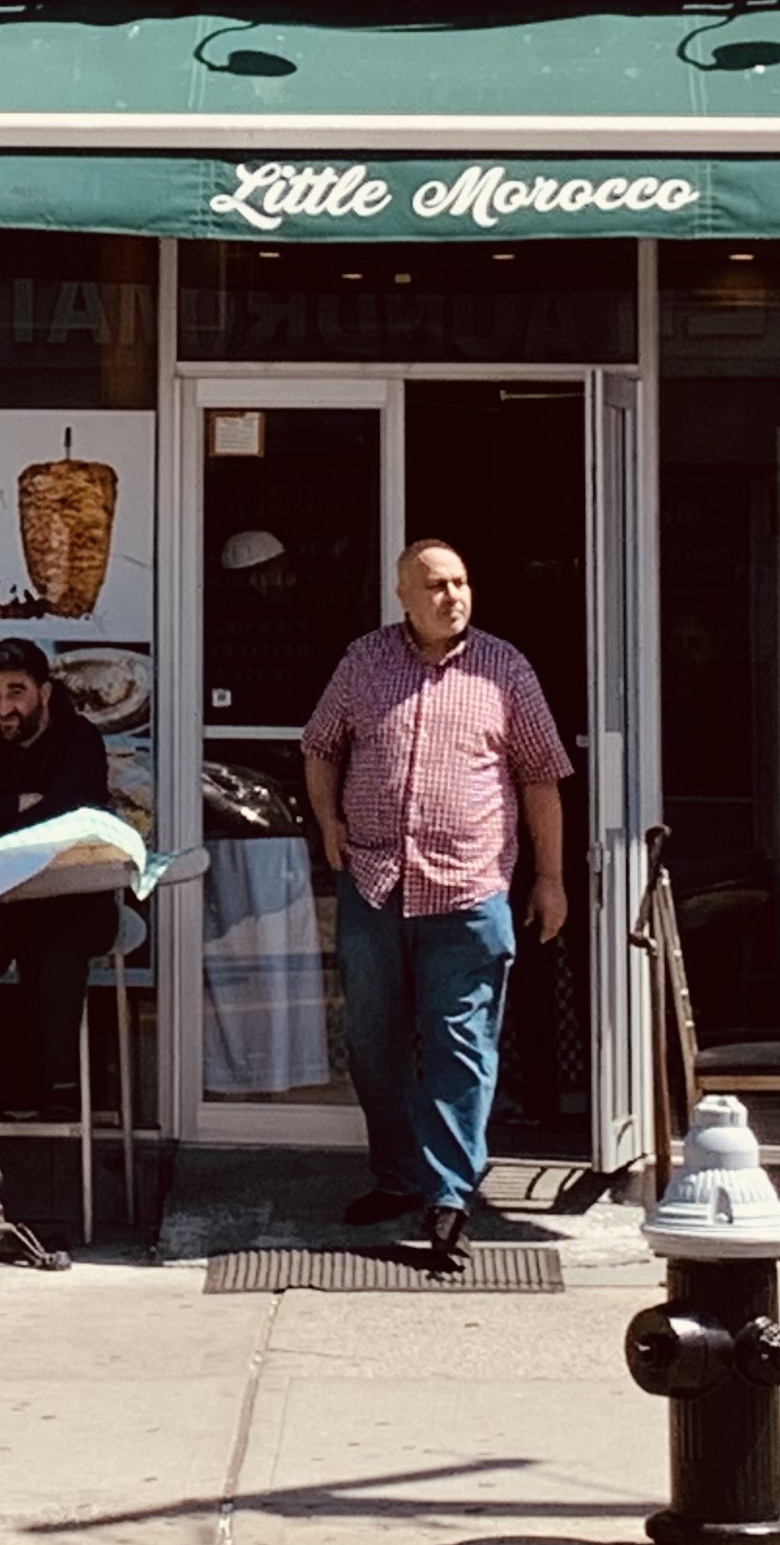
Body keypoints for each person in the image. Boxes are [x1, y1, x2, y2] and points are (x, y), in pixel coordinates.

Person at [298, 538, 574, 1260]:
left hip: (468, 887)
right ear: (403, 596)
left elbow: (542, 776)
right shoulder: (364, 661)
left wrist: (549, 879)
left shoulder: (504, 667)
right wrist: (327, 820)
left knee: (461, 1045)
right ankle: (397, 1175)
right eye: (436, 586)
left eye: (461, 582)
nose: (453, 596)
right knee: (373, 1041)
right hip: (375, 883)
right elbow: (320, 745)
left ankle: (449, 1197)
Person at [0, 638, 122, 1216]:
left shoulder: (80, 738)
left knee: (54, 958)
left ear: (44, 693)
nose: (3, 707)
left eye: (16, 692)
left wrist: (6, 813)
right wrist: (21, 802)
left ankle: (54, 1091)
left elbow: (73, 810)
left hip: (69, 898)